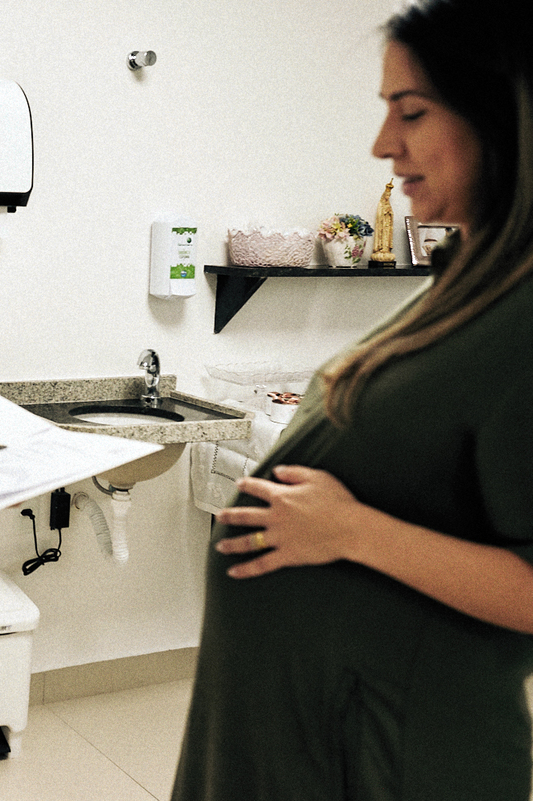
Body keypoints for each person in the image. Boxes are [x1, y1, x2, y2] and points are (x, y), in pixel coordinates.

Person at [172, 1, 533, 799]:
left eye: (411, 111)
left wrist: (352, 532)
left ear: (506, 117)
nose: (381, 145)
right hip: (310, 729)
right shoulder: (467, 283)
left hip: (396, 749)